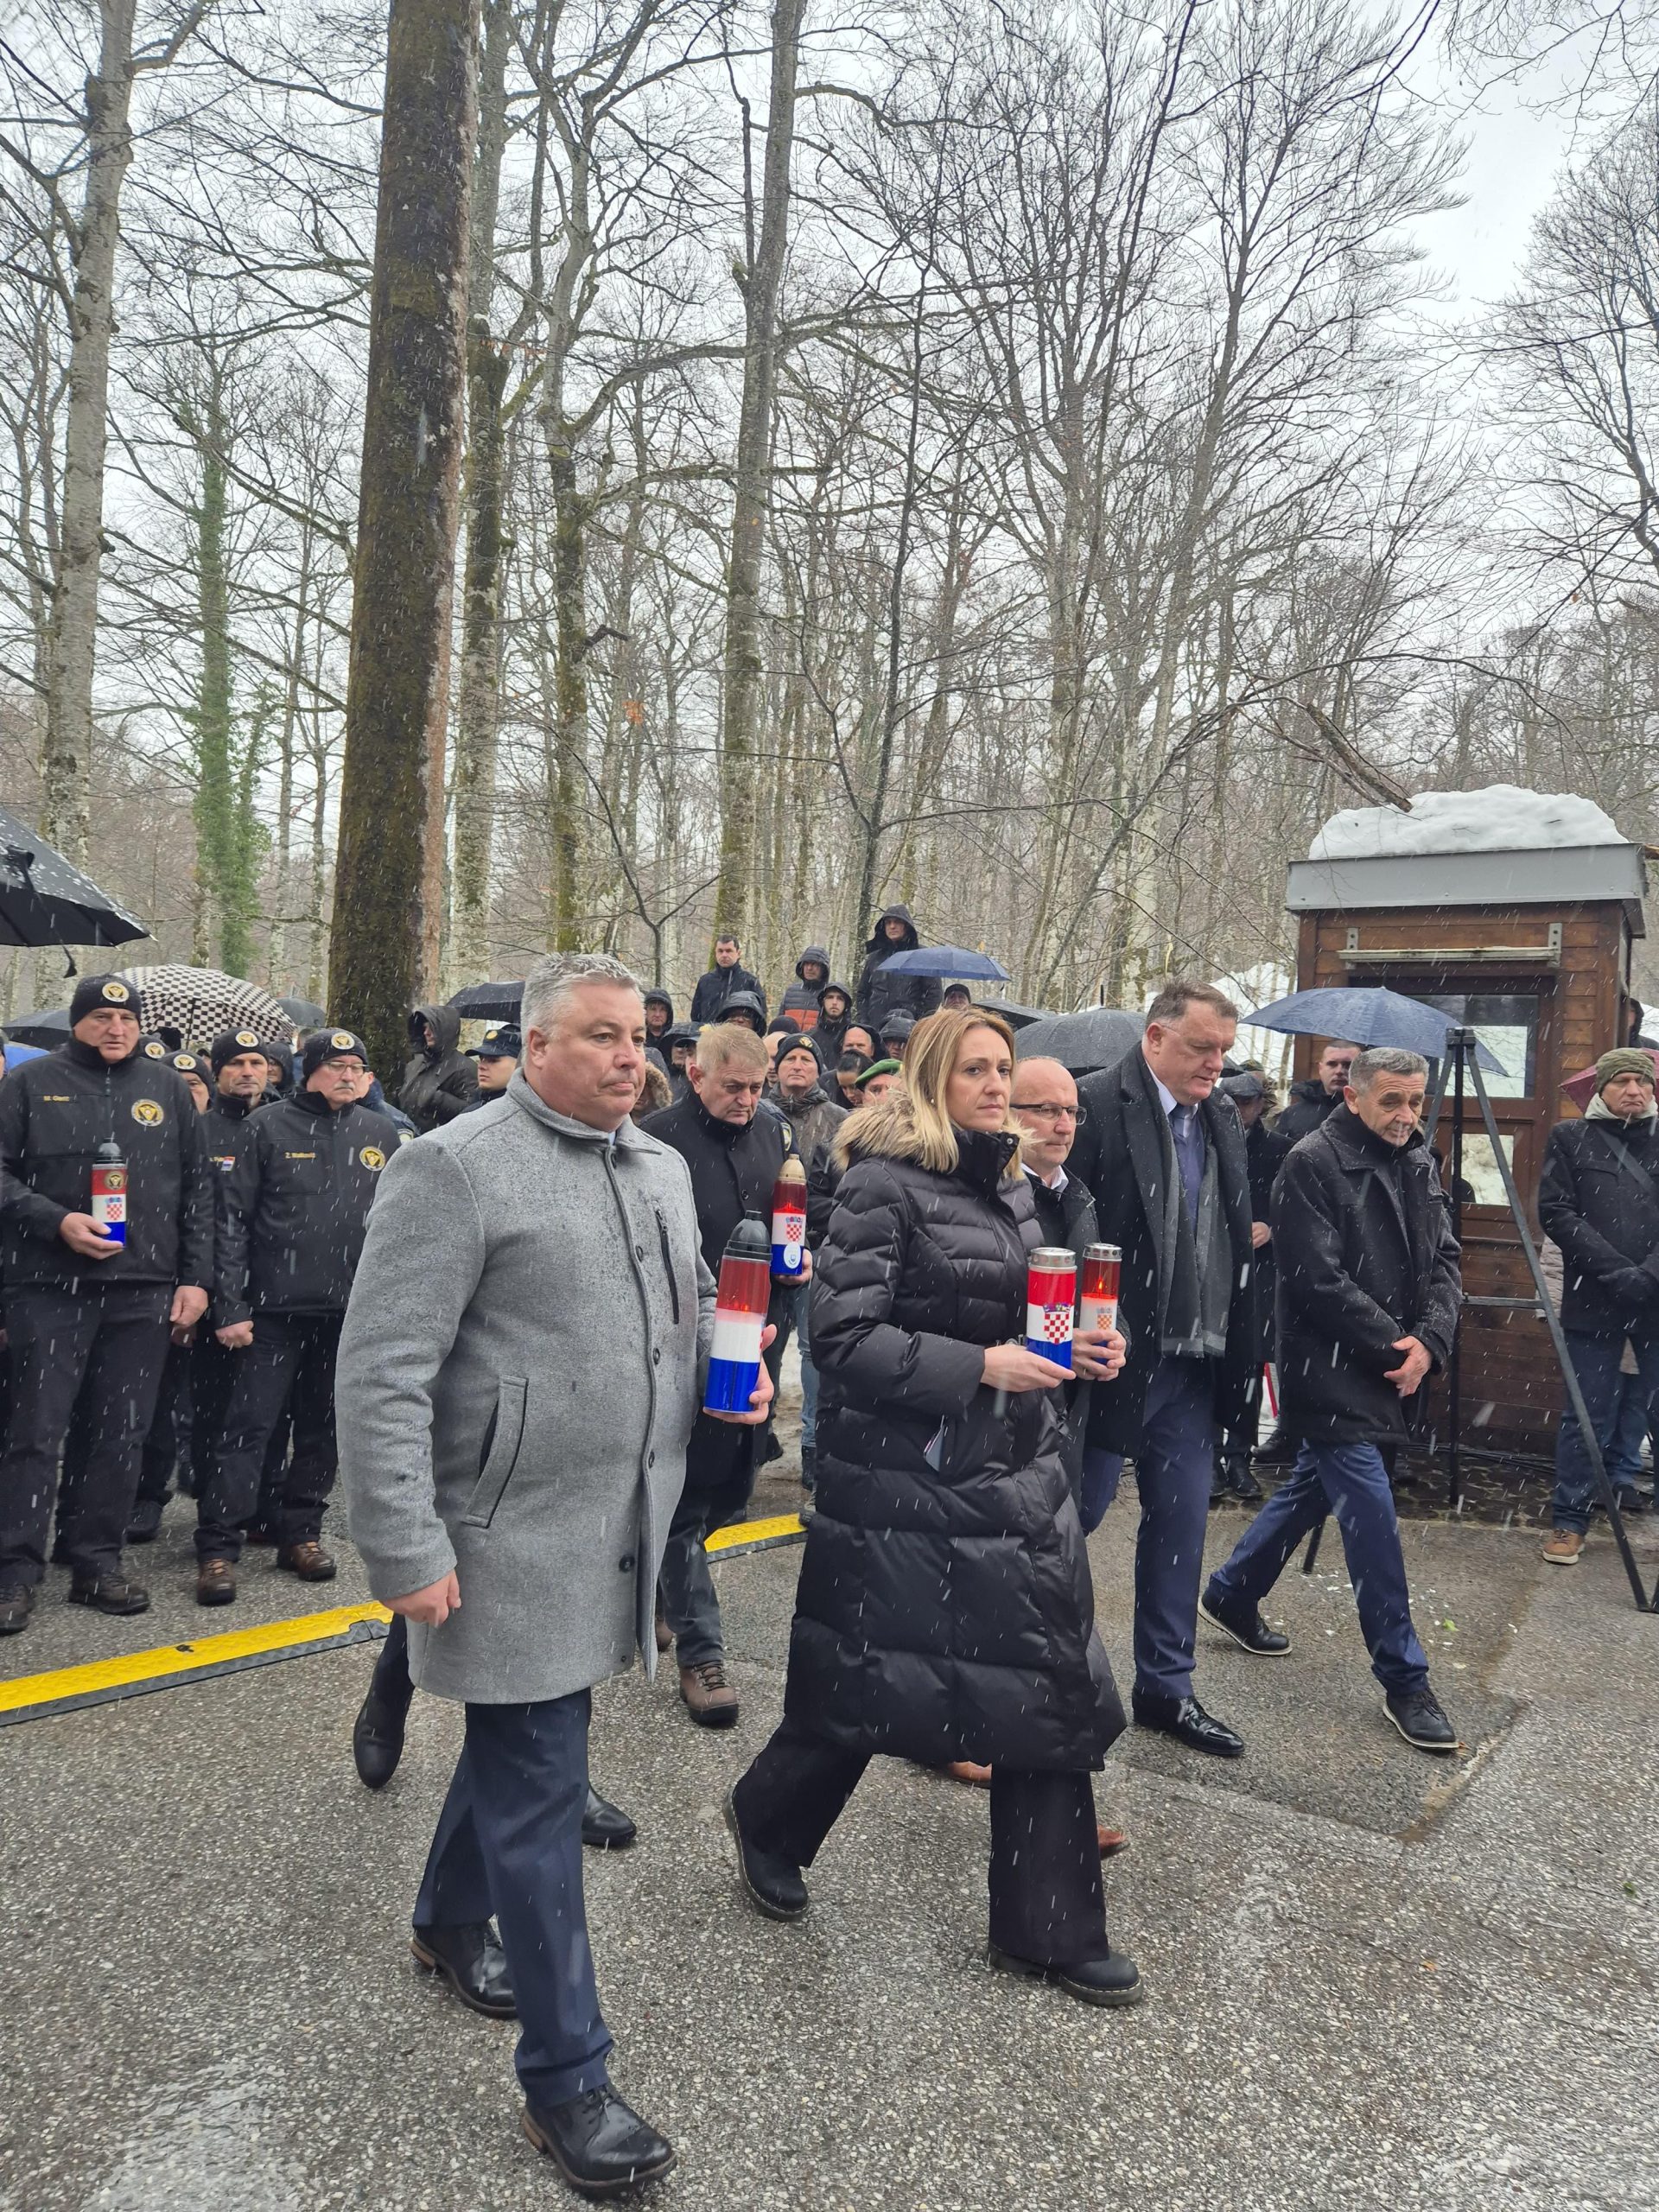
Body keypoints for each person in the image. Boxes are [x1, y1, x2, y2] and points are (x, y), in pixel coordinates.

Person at [338, 951, 771, 2196]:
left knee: (526, 1747)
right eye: (600, 1037)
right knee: (540, 1791)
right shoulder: (454, 1167)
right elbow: (382, 1370)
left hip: (622, 1524)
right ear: (533, 1047)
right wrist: (406, 1546)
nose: (632, 1058)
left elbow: (687, 1301)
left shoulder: (658, 1166)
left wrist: (734, 1356)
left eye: (641, 1037)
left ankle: (443, 1920)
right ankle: (569, 2079)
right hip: (505, 1541)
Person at [726, 1008, 1140, 2007]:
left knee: (1043, 1686)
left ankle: (1048, 1927)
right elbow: (842, 1339)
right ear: (929, 1081)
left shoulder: (1008, 1185)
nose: (997, 1086)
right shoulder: (883, 1184)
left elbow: (1014, 1313)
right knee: (868, 1683)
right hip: (909, 1482)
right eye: (976, 1070)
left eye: (1004, 1068)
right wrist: (980, 1365)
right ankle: (769, 1819)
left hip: (1018, 1473)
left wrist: (1075, 1351)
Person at [1201, 1047, 1462, 1753]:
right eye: (1392, 1101)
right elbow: (1316, 1279)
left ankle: (1232, 1590)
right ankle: (1405, 1679)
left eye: (1415, 1101)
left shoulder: (1418, 1158)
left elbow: (1445, 1260)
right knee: (1372, 1518)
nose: (1406, 1115)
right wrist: (1398, 1349)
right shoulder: (1310, 1162)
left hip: (1392, 1363)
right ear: (1354, 1096)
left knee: (1313, 1489)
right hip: (1332, 1370)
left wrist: (1430, 1341)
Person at [1074, 982, 1259, 1758]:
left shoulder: (1222, 1115)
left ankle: (1166, 1689)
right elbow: (1064, 1224)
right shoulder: (1093, 1104)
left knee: (1181, 1526)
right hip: (1115, 1359)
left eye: (1224, 1050)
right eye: (1201, 1047)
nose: (1216, 1064)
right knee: (1070, 1520)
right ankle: (1033, 1678)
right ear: (1154, 1038)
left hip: (1194, 1362)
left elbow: (1233, 1231)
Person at [0, 976, 213, 1635]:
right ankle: (14, 1572)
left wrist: (195, 1279)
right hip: (47, 1288)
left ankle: (95, 1561)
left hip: (141, 1288)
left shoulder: (166, 1088)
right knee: (34, 1434)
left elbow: (198, 1189)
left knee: (119, 1433)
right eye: (101, 1017)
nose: (115, 1028)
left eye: (126, 1018)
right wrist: (54, 1220)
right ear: (77, 1022)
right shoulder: (29, 1085)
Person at [194, 1029, 402, 1605]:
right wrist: (230, 1305)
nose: (347, 1075)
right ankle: (219, 1546)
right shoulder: (267, 1126)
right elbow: (232, 1222)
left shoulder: (380, 1132)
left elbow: (395, 1226)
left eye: (356, 1066)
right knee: (249, 1429)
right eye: (335, 1065)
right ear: (306, 1071)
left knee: (322, 1429)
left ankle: (301, 1534)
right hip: (271, 1312)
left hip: (346, 1314)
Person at [641, 1021, 798, 1726]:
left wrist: (803, 1254)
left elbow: (800, 1212)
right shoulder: (657, 1141)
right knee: (685, 1499)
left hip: (762, 1330)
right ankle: (702, 1655)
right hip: (681, 1339)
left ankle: (659, 1586)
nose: (746, 1100)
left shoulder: (774, 1132)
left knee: (732, 1489)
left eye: (757, 1087)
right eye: (733, 1087)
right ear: (695, 1075)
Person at [1538, 1048, 1659, 1564]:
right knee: (1586, 1416)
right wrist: (1615, 1272)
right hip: (1594, 1300)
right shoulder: (1570, 1138)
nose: (1634, 1090)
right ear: (1601, 1088)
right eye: (1623, 1081)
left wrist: (1648, 1275)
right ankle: (1570, 1521)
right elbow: (1556, 1212)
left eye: (1642, 1081)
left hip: (1656, 1300)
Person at [1010, 1057, 1125, 1534]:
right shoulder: (990, 1194)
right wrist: (1049, 1345)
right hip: (1008, 1417)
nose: (1064, 1126)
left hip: (1069, 1411)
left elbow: (1095, 1300)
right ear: (1008, 1113)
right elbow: (969, 1309)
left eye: (1072, 1112)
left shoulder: (1076, 1195)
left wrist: (1115, 1340)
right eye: (1046, 1110)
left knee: (1076, 1523)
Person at [772, 1034, 847, 1491]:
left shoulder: (839, 1120)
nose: (797, 1065)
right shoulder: (761, 1113)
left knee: (811, 1351)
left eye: (806, 1058)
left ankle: (813, 1446)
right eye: (790, 1058)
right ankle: (758, 1435)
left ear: (819, 1069)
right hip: (763, 1247)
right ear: (777, 1067)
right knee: (765, 1345)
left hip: (817, 1250)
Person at [1212, 1070, 1288, 1502]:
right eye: (1232, 1101)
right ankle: (1209, 1456)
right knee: (1208, 1359)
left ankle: (1238, 1456)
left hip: (1259, 1271)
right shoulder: (1204, 1140)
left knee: (1250, 1363)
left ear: (1262, 1103)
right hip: (1211, 1264)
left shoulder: (1280, 1150)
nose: (1240, 1110)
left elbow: (1297, 1206)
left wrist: (1272, 1226)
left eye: (1247, 1102)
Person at [855, 902, 941, 1031]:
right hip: (876, 1028)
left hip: (910, 1029)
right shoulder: (874, 958)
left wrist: (920, 1024)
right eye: (888, 922)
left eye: (897, 922)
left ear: (906, 925)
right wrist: (865, 1023)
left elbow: (934, 994)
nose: (892, 926)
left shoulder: (922, 956)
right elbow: (862, 994)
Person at [399, 1001, 478, 1130]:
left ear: (445, 1031)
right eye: (424, 1028)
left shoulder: (465, 1068)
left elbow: (472, 1114)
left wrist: (439, 1099)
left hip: (442, 1139)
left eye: (431, 1027)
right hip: (408, 1136)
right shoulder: (414, 1065)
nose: (426, 1033)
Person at [1271, 1039, 1360, 1145]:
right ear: (1320, 1068)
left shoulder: (1371, 1112)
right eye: (1332, 1064)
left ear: (1361, 1070)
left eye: (1348, 1065)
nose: (1339, 1071)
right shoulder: (1293, 1114)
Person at [689, 931, 768, 1025]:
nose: (724, 955)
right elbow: (696, 1017)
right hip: (709, 1033)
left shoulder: (750, 982)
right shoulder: (705, 981)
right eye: (720, 951)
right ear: (715, 953)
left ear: (738, 953)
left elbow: (761, 1016)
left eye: (729, 951)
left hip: (739, 1033)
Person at [466, 1023, 520, 1103]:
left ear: (520, 1063)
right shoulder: (475, 1104)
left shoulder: (528, 1109)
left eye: (493, 1060)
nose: (481, 1066)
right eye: (481, 1059)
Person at [779, 946, 830, 1028]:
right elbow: (779, 1025)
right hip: (790, 1037)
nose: (809, 968)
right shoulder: (791, 993)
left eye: (814, 964)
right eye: (806, 964)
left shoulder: (831, 995)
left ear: (823, 969)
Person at [814, 980, 855, 1060]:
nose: (834, 1002)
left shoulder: (854, 1038)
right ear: (823, 1002)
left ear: (846, 1004)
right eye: (830, 997)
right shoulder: (810, 1038)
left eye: (840, 999)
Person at [661, 1020, 698, 1101]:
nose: (679, 1050)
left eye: (686, 1046)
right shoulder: (661, 1077)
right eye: (675, 1044)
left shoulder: (705, 1080)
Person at [642, 988, 674, 1061]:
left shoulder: (673, 1039)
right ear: (646, 1011)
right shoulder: (638, 1037)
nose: (657, 1014)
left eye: (663, 1010)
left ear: (668, 1014)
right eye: (653, 1009)